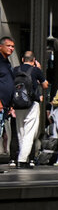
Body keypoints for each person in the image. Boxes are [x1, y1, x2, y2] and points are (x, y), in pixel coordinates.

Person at [10, 51, 48, 167]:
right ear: (34, 60)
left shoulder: (15, 70)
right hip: (31, 103)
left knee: (20, 130)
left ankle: (21, 158)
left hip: (17, 104)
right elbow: (45, 85)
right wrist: (39, 69)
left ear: (22, 59)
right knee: (29, 132)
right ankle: (22, 160)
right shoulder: (36, 70)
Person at [0, 36, 14, 166]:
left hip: (5, 106)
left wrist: (10, 105)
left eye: (13, 46)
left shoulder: (7, 63)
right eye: (8, 46)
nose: (11, 48)